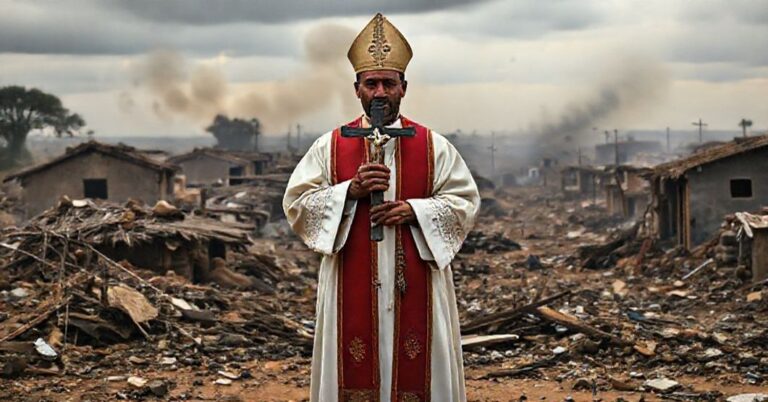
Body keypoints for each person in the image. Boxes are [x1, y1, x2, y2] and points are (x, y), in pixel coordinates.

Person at [283, 13, 480, 402]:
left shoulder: (432, 146)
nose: (379, 93)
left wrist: (416, 211)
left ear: (404, 88)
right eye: (371, 83)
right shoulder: (331, 146)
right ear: (356, 88)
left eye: (388, 83)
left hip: (416, 279)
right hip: (349, 282)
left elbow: (464, 203)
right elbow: (298, 204)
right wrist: (348, 191)